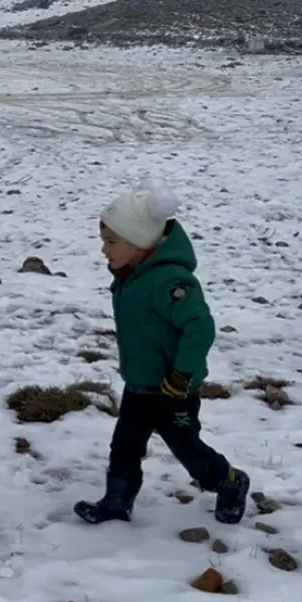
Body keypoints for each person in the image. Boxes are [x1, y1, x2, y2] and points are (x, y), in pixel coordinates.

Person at [74, 179, 250, 526]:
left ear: (139, 243)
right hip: (139, 385)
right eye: (103, 241)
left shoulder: (169, 282)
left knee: (189, 452)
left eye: (111, 241)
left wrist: (183, 373)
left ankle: (230, 481)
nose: (103, 250)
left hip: (173, 388)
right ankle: (116, 502)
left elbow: (200, 327)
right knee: (124, 446)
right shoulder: (132, 275)